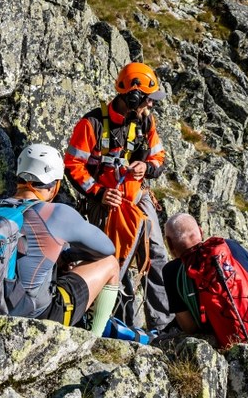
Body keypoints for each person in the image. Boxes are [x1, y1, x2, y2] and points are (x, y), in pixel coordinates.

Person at [64, 62, 171, 330]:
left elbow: (159, 156)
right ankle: (108, 319)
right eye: (148, 101)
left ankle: (163, 322)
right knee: (113, 258)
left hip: (138, 197)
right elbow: (73, 166)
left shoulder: (146, 121)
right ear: (133, 97)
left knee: (156, 255)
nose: (151, 107)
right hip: (107, 204)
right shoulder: (92, 124)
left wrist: (147, 167)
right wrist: (99, 193)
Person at [1, 144, 120, 334]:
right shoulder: (55, 212)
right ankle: (94, 340)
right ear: (55, 185)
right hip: (37, 315)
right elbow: (107, 248)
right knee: (110, 264)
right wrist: (66, 255)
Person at [162, 213, 248, 351]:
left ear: (170, 244)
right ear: (201, 231)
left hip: (234, 347)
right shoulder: (229, 246)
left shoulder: (171, 272)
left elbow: (190, 327)